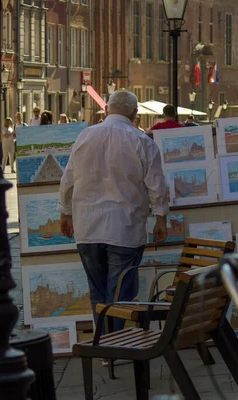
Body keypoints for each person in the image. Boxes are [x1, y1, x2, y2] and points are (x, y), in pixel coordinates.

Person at [58, 90, 169, 338]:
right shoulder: (142, 142)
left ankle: (104, 342)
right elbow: (156, 185)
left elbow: (68, 179)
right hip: (124, 227)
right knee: (120, 293)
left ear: (106, 110)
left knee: (98, 290)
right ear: (135, 114)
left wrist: (65, 213)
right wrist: (161, 218)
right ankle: (112, 342)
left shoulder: (85, 136)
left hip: (88, 226)